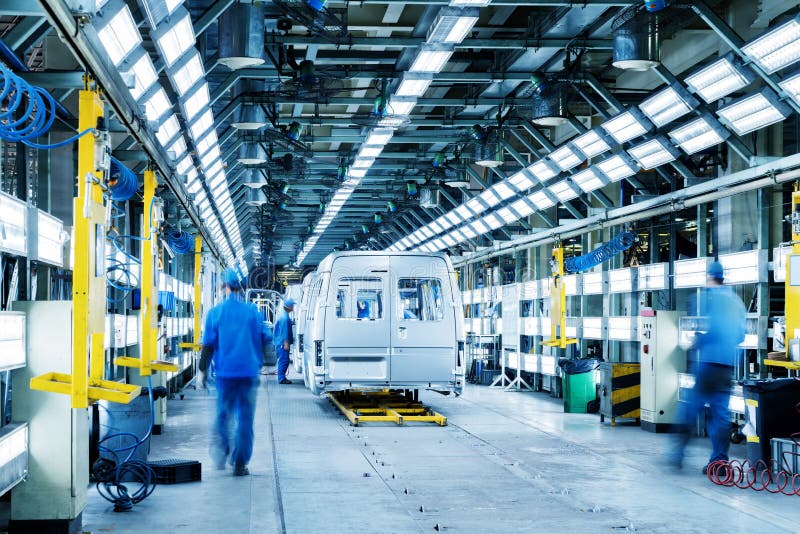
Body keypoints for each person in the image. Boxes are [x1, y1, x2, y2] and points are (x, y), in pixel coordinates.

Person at [670, 261, 746, 474]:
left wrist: (698, 341)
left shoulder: (713, 298)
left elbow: (715, 329)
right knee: (721, 416)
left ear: (710, 277)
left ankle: (677, 455)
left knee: (690, 409)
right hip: (726, 367)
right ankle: (719, 462)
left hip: (708, 366)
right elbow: (739, 335)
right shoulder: (736, 301)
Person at [199, 268, 271, 476]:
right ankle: (240, 463)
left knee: (223, 414)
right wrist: (263, 361)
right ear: (240, 287)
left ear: (224, 287)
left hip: (225, 375)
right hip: (249, 374)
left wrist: (203, 371)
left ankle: (224, 449)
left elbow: (208, 346)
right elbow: (265, 339)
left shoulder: (215, 313)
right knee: (245, 420)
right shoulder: (253, 312)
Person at [273, 298, 295, 384]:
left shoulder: (283, 315)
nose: (293, 307)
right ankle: (281, 378)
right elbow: (284, 331)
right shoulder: (285, 318)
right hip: (282, 343)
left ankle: (281, 377)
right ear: (289, 307)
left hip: (279, 342)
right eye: (292, 305)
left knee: (283, 359)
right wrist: (286, 343)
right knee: (284, 360)